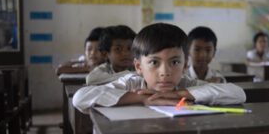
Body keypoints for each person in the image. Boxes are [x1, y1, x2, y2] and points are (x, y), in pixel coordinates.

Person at [74, 23, 246, 114]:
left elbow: (238, 93)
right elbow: (80, 98)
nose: (165, 72)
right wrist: (141, 99)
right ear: (139, 67)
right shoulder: (132, 83)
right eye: (154, 63)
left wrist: (178, 94)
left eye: (175, 62)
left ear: (185, 65)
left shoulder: (187, 83)